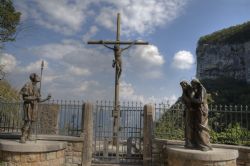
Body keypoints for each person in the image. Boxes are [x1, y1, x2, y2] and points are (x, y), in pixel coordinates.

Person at [19, 73, 51, 143]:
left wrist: (46, 98)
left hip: (35, 107)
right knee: (27, 121)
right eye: (37, 76)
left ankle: (29, 135)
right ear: (33, 78)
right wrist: (34, 98)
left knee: (33, 122)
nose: (38, 77)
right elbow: (24, 98)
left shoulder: (37, 88)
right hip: (28, 106)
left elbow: (38, 100)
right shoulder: (27, 85)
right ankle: (23, 137)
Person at [190, 78, 212, 151]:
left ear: (196, 83)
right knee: (199, 126)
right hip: (200, 109)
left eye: (193, 84)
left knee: (202, 126)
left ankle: (205, 145)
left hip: (202, 109)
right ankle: (200, 144)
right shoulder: (198, 89)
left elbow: (200, 100)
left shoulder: (201, 88)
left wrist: (191, 99)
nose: (192, 86)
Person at [180, 81, 195, 149]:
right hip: (187, 111)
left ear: (186, 84)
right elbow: (183, 100)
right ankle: (188, 142)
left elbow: (190, 100)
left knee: (189, 127)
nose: (182, 87)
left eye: (183, 85)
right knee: (187, 127)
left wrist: (184, 97)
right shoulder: (185, 91)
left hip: (191, 111)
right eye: (181, 86)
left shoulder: (190, 90)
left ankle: (189, 142)